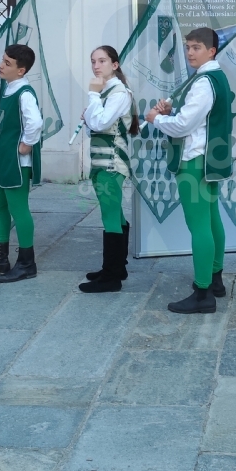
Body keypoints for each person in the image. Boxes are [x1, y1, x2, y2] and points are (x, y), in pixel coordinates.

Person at [147, 27, 232, 314]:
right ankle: (215, 279)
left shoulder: (204, 82)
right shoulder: (214, 77)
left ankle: (203, 292)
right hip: (209, 159)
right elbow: (194, 120)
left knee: (199, 226)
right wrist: (170, 114)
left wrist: (156, 119)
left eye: (196, 47)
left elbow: (185, 125)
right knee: (211, 219)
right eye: (188, 47)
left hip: (194, 161)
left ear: (212, 50)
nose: (190, 52)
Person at [79, 44, 138, 293]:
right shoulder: (107, 91)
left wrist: (92, 97)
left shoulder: (118, 92)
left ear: (114, 65)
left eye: (102, 61)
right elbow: (93, 122)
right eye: (93, 61)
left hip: (112, 163)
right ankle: (116, 267)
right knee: (113, 213)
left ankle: (112, 277)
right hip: (101, 161)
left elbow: (101, 122)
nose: (95, 66)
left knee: (109, 216)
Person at [0, 43, 44, 282]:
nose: (1, 65)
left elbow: (35, 123)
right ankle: (0, 257)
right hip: (4, 160)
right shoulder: (9, 89)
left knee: (18, 209)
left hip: (18, 163)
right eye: (3, 60)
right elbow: (1, 130)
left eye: (7, 63)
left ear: (21, 70)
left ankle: (26, 262)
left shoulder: (24, 93)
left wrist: (26, 144)